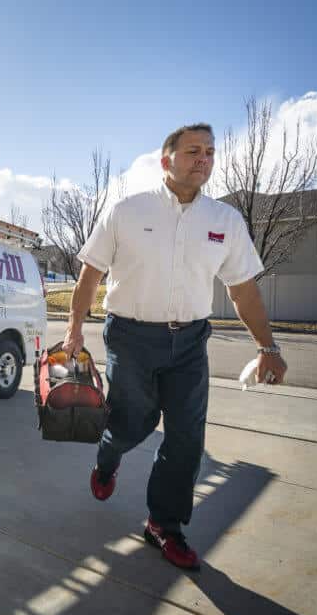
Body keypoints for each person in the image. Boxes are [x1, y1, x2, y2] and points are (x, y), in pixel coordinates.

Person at [62, 123, 287, 570]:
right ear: (166, 161)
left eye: (209, 152)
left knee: (186, 435)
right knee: (134, 422)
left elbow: (243, 291)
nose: (203, 159)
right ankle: (108, 457)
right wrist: (74, 330)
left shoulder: (225, 221)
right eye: (192, 152)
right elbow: (90, 275)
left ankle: (164, 524)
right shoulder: (127, 211)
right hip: (130, 337)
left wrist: (268, 346)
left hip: (189, 343)